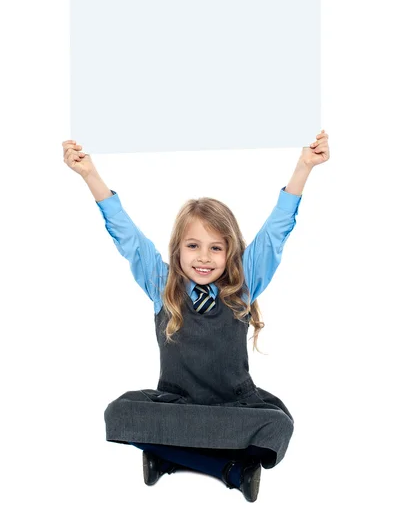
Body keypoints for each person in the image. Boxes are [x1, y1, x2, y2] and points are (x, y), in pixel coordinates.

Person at [62, 131, 330, 502]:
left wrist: (304, 167)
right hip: (178, 405)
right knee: (117, 414)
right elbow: (127, 236)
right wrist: (90, 174)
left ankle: (167, 456)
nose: (204, 258)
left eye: (215, 248)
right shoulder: (163, 285)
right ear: (178, 250)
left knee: (278, 425)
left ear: (230, 253)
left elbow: (274, 234)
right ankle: (227, 467)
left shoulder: (243, 286)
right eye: (193, 246)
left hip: (232, 407)